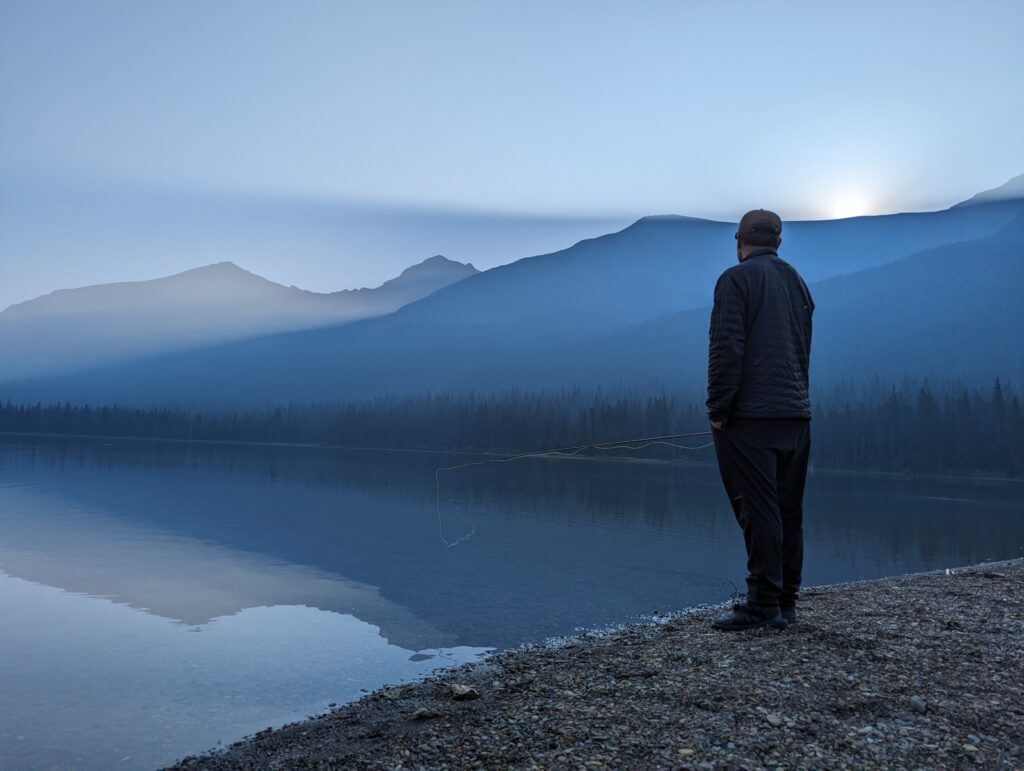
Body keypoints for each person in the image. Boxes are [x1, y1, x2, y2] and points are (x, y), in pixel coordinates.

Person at [706, 209, 814, 631]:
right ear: (778, 242)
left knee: (758, 510)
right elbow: (802, 350)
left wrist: (718, 408)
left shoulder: (734, 281)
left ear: (739, 241)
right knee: (789, 511)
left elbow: (726, 348)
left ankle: (761, 606)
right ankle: (785, 603)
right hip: (796, 415)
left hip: (750, 417)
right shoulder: (797, 283)